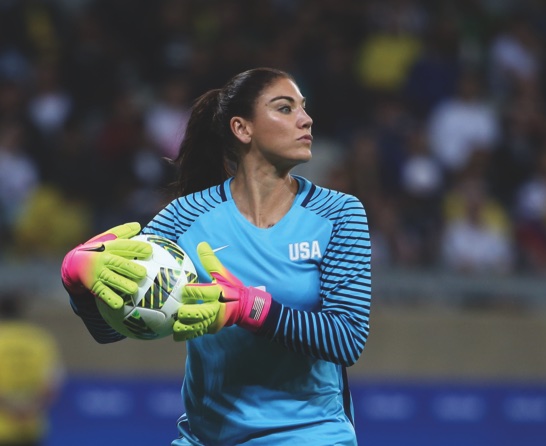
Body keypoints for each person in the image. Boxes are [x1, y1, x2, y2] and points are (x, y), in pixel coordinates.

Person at [60, 67, 373, 445]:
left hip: (309, 435)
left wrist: (251, 308)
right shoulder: (183, 217)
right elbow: (114, 329)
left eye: (303, 108)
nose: (306, 119)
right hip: (205, 438)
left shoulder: (339, 213)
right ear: (243, 129)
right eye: (285, 108)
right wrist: (79, 285)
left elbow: (347, 338)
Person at [0, 292, 64, 446]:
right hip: (32, 427)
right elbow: (52, 384)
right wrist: (29, 409)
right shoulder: (41, 339)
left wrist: (12, 409)